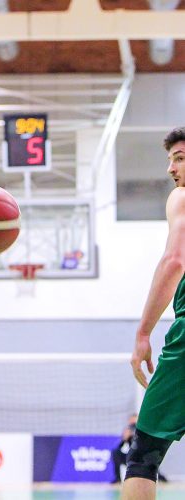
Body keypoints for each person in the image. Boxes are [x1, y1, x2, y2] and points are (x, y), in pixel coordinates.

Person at [122, 127, 185, 500]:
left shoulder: (182, 197)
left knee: (143, 455)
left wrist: (143, 332)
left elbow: (175, 259)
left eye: (179, 158)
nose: (171, 169)